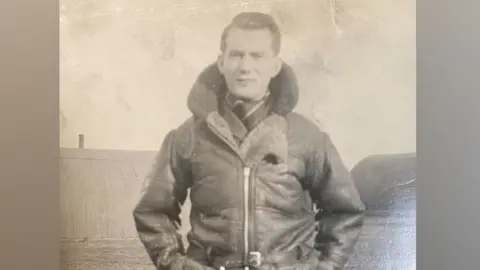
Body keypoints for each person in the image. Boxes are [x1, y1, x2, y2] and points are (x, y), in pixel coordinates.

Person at [133, 11, 366, 270]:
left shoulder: (308, 137)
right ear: (221, 62)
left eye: (257, 56)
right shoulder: (187, 137)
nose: (245, 67)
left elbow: (345, 211)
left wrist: (323, 267)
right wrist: (177, 265)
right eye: (236, 55)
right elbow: (152, 211)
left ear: (275, 66)